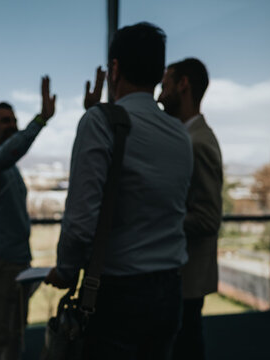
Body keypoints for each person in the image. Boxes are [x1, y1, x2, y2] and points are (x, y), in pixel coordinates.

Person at [44, 22, 194, 359]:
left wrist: (66, 271)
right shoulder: (180, 134)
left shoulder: (99, 121)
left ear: (114, 69)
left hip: (119, 295)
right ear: (158, 73)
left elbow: (81, 221)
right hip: (170, 292)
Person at [0, 77, 56, 360]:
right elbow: (10, 152)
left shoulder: (9, 168)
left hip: (17, 260)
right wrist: (41, 120)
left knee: (16, 332)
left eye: (13, 120)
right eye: (4, 121)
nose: (11, 125)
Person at [159, 58, 223, 360]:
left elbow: (208, 219)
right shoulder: (186, 137)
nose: (160, 93)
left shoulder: (197, 142)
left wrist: (160, 218)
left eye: (165, 84)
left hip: (186, 278)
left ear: (183, 84)